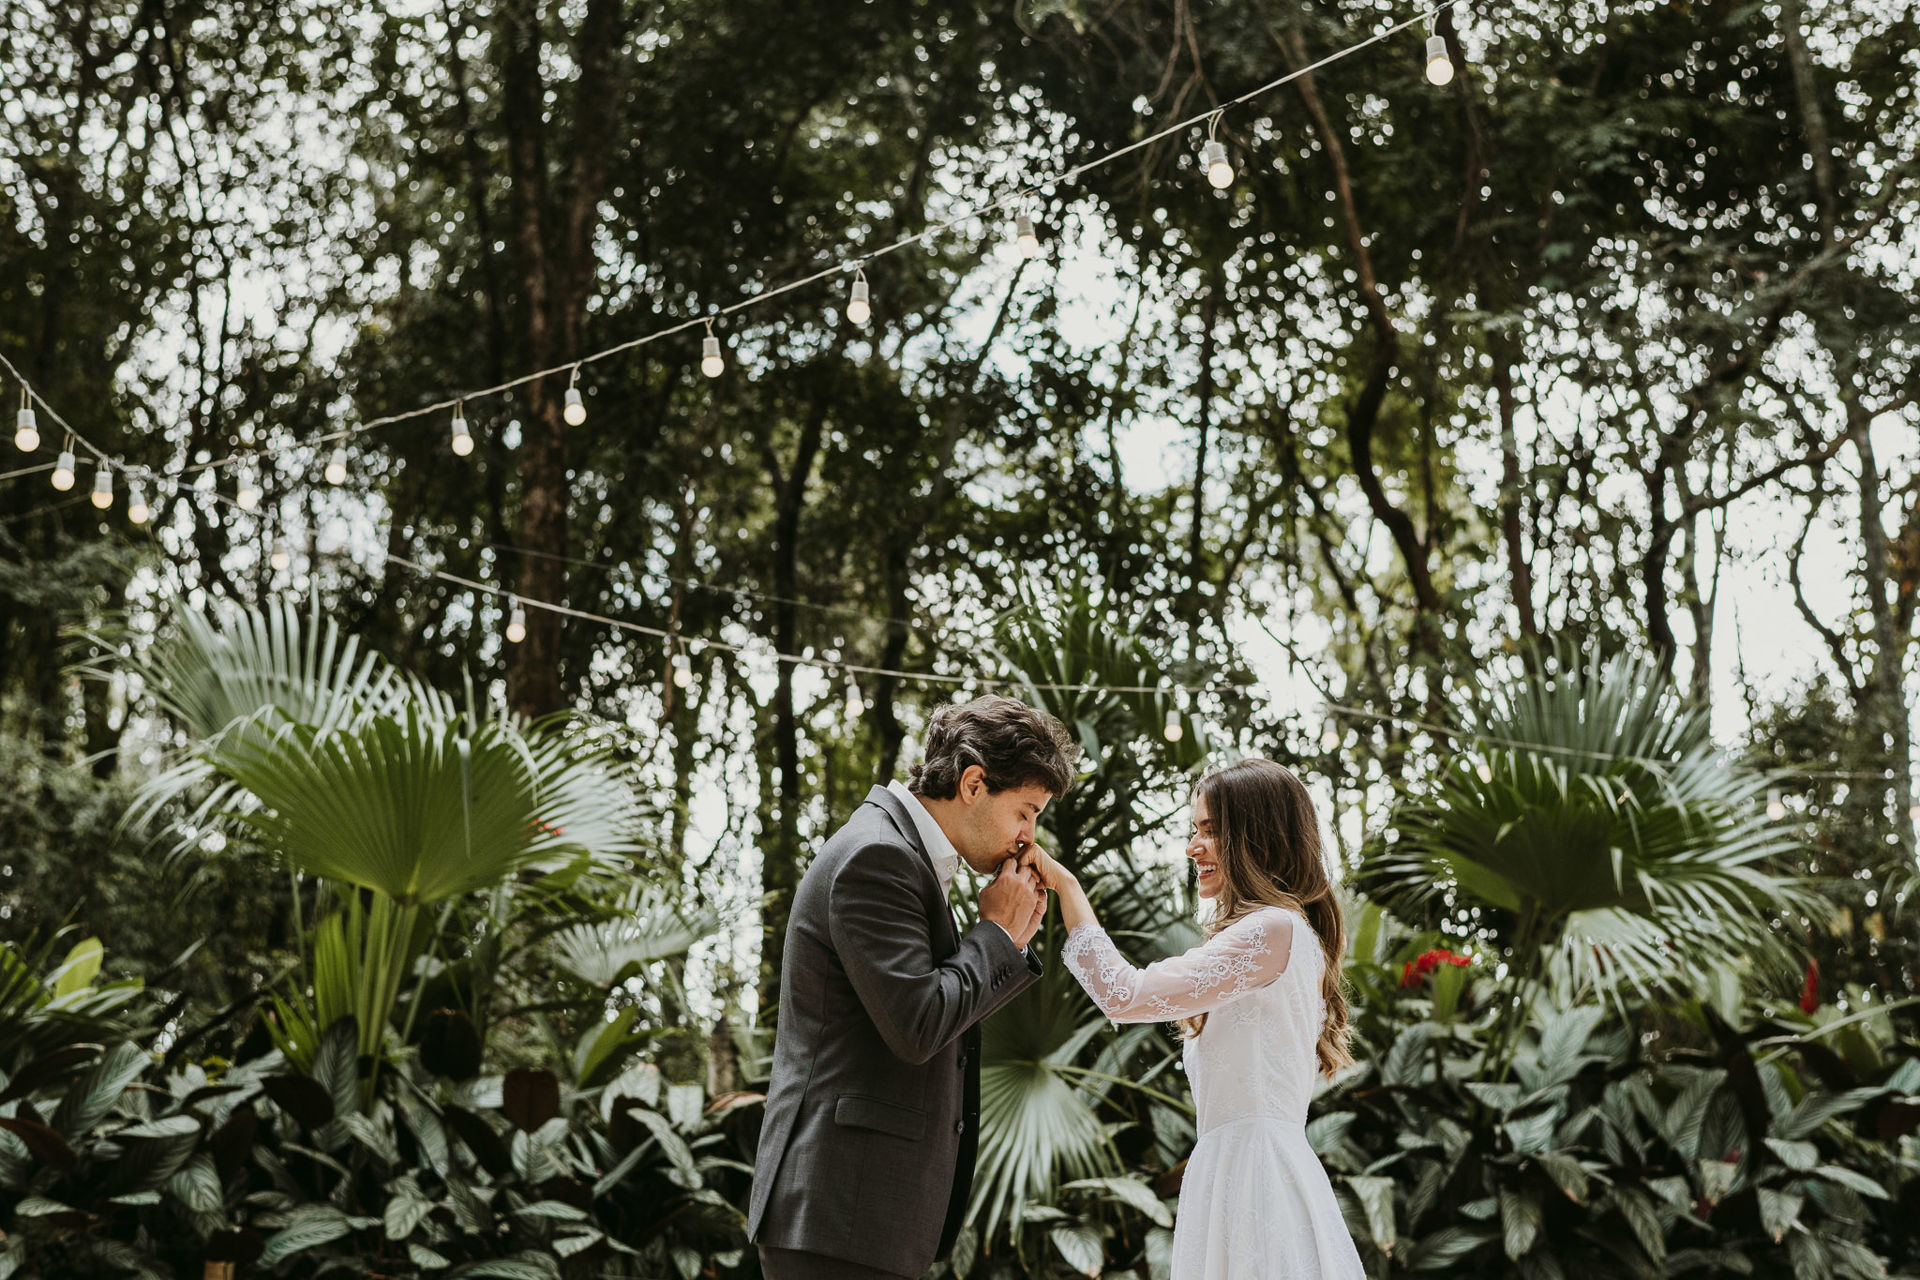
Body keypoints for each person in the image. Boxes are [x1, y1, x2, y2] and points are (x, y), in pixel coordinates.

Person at [747, 695, 1080, 1279]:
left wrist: (1005, 941)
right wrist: (996, 934)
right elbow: (917, 1024)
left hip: (860, 1217)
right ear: (974, 783)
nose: (1029, 837)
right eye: (1026, 812)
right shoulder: (878, 855)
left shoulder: (906, 855)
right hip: (840, 1212)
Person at [1027, 758, 1364, 1280]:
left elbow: (1123, 994)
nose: (1193, 847)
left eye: (1210, 831)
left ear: (1257, 837)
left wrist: (1067, 889)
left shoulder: (1272, 930)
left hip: (1253, 1179)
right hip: (1245, 1169)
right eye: (1193, 830)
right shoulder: (1288, 933)